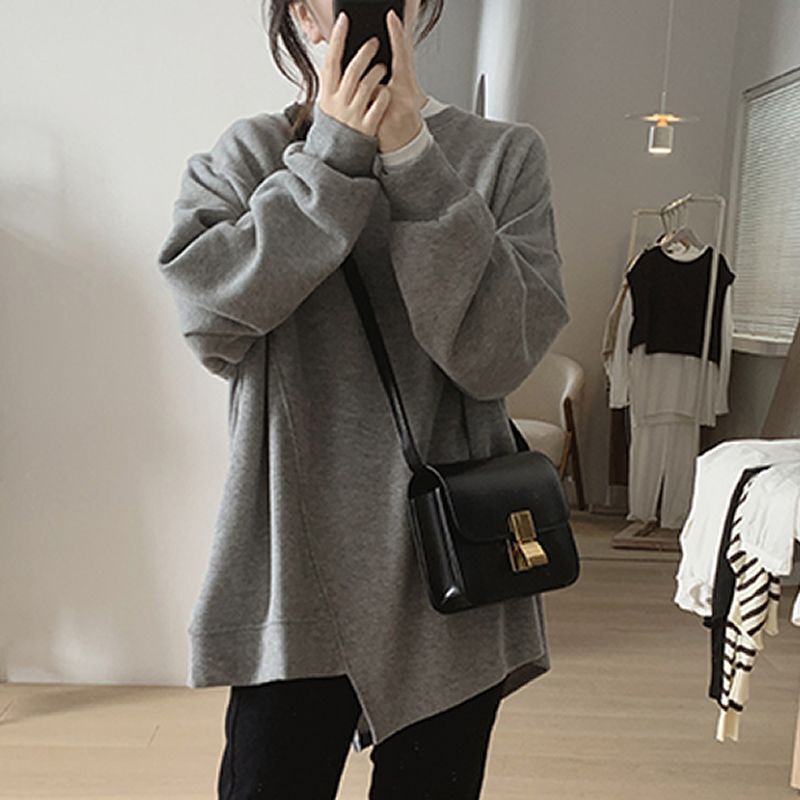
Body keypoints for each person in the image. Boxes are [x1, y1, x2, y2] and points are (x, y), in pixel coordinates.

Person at [156, 0, 570, 797]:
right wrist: (334, 156)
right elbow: (208, 320)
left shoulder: (502, 157)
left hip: (452, 571)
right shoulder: (253, 155)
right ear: (302, 14)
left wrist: (414, 157)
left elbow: (499, 357)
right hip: (293, 566)